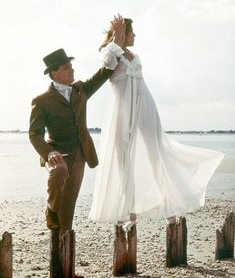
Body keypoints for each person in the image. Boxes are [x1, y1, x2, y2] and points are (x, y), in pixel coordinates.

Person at [89, 18, 225, 225]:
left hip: (145, 105)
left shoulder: (135, 55)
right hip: (123, 110)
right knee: (124, 158)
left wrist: (119, 39)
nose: (135, 36)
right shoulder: (110, 51)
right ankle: (129, 213)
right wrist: (116, 38)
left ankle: (170, 210)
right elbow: (107, 65)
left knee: (157, 154)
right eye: (132, 32)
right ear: (124, 33)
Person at [29, 16, 125, 277]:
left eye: (71, 66)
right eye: (67, 67)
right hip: (57, 157)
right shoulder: (42, 101)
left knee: (69, 213)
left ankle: (66, 271)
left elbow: (105, 72)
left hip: (81, 156)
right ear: (54, 72)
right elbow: (34, 134)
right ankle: (51, 209)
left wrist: (116, 39)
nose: (72, 70)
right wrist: (49, 153)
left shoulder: (81, 89)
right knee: (58, 177)